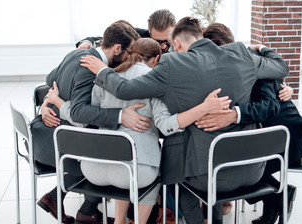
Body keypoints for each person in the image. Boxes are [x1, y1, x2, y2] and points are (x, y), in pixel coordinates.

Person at [79, 17, 290, 224]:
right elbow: (281, 68)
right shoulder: (242, 53)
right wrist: (261, 48)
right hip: (252, 168)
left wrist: (102, 70)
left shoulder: (172, 63)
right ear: (201, 35)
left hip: (207, 175)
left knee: (171, 169)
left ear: (176, 44)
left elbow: (124, 90)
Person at [47, 37, 232, 224]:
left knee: (124, 158)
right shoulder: (154, 82)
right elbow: (166, 126)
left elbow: (81, 120)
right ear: (157, 59)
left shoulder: (104, 77)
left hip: (93, 169)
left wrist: (55, 101)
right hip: (134, 173)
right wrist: (203, 108)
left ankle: (120, 221)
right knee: (154, 168)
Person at [199, 22, 302, 224]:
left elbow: (269, 106)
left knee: (233, 167)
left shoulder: (251, 64)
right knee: (232, 160)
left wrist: (234, 114)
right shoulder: (239, 60)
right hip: (274, 132)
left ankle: (277, 195)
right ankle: (275, 199)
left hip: (289, 137)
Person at [31, 22, 146, 224]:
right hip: (58, 147)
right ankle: (89, 211)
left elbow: (51, 78)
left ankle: (77, 206)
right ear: (117, 48)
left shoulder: (75, 54)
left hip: (43, 139)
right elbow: (78, 112)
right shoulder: (89, 67)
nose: (131, 58)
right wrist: (120, 115)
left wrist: (53, 98)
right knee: (112, 158)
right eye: (130, 52)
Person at [76, 9, 176, 53]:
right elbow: (109, 38)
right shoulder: (139, 36)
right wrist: (86, 42)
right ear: (149, 31)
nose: (163, 47)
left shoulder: (184, 42)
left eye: (167, 42)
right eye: (158, 42)